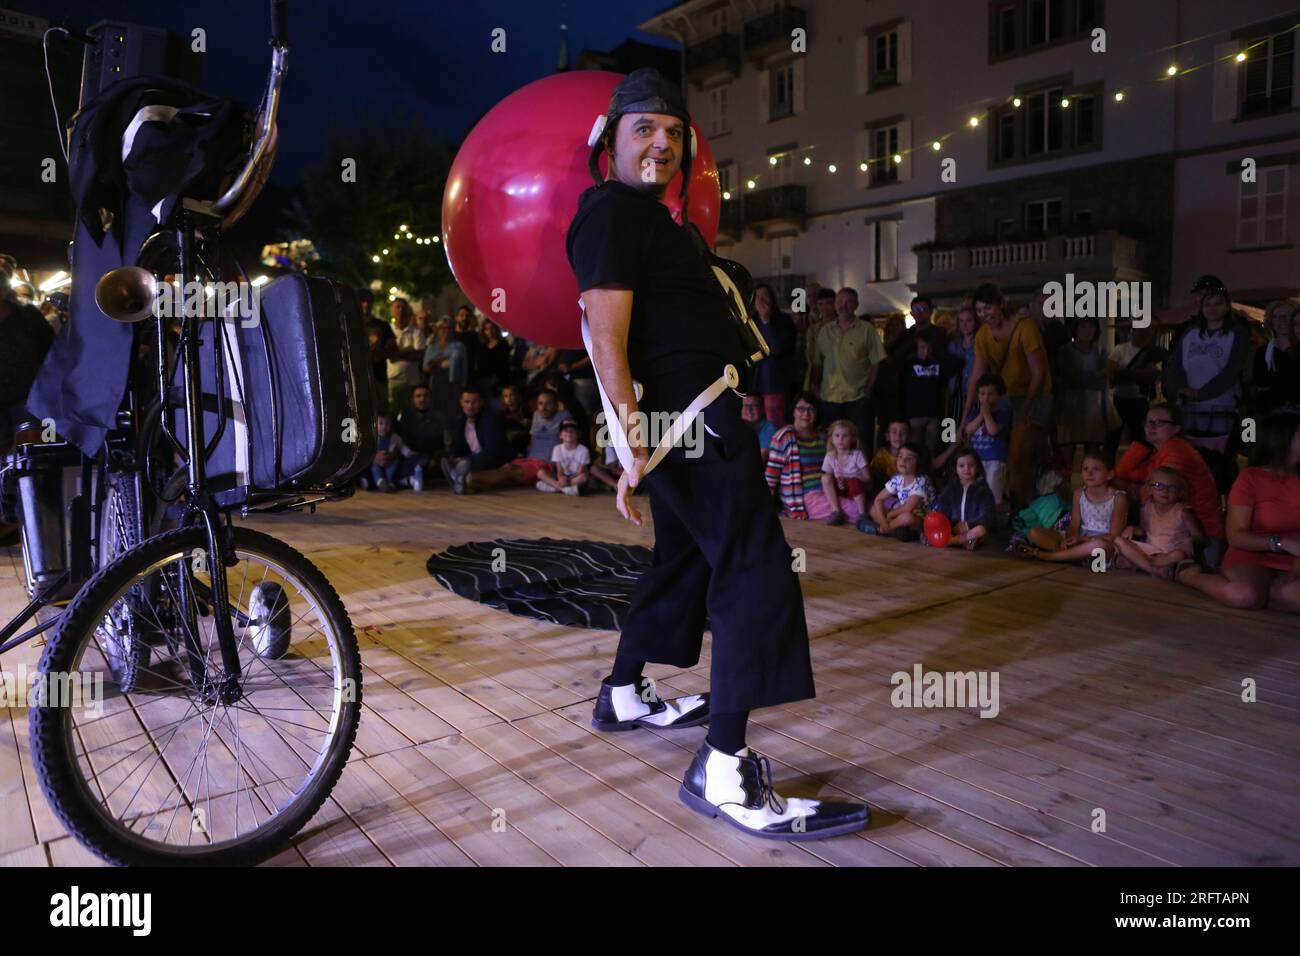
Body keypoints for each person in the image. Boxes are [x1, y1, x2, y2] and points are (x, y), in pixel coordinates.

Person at [567, 68, 868, 839]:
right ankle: (725, 769)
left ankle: (625, 692)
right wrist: (632, 444)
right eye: (645, 129)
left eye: (674, 133)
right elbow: (604, 339)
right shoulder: (608, 211)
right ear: (611, 140)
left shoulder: (659, 224)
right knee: (756, 570)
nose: (662, 143)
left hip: (689, 425)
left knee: (689, 561)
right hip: (689, 427)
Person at [1176, 412, 1300, 612]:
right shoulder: (1252, 478)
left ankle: (1274, 593)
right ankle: (1190, 575)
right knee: (1244, 595)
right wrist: (1282, 543)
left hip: (1297, 557)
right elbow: (1235, 535)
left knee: (1284, 595)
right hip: (1254, 552)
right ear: (1281, 438)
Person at [960, 283, 1053, 509]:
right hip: (1007, 399)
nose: (984, 315)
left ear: (1001, 304)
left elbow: (1038, 373)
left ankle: (1024, 508)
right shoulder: (983, 334)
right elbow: (976, 378)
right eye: (980, 310)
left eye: (988, 308)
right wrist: (964, 417)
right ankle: (1008, 505)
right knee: (1005, 454)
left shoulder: (1026, 328)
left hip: (1035, 397)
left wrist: (1026, 409)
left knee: (1022, 453)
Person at [1162, 278, 1250, 478]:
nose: (1212, 308)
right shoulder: (1191, 333)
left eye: (1218, 303)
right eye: (1207, 304)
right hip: (1190, 405)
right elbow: (1176, 365)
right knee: (1191, 459)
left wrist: (1203, 393)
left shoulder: (1237, 333)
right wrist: (1181, 389)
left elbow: (1231, 370)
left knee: (1220, 460)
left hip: (1222, 404)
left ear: (1227, 306)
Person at [1114, 401, 1225, 554]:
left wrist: (1132, 488)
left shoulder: (1177, 452)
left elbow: (1156, 492)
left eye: (1159, 423)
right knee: (1118, 485)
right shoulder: (1161, 451)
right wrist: (1141, 443)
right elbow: (1122, 474)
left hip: (1197, 535)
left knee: (1122, 495)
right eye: (1148, 422)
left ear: (1176, 428)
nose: (1151, 427)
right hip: (1169, 531)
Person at [1021, 450, 1128, 563]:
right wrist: (1069, 540)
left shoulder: (1118, 498)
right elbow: (1074, 525)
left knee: (1099, 546)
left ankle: (1049, 556)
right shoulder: (1079, 494)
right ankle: (1070, 553)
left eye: (1096, 469)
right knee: (1034, 532)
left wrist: (1081, 540)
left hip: (1101, 541)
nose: (1089, 473)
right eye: (1085, 469)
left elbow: (1113, 536)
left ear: (1109, 474)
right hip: (1079, 538)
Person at [811, 287, 883, 453]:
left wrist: (869, 389)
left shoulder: (867, 330)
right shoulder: (825, 331)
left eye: (848, 301)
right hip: (829, 397)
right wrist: (815, 385)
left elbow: (876, 361)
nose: (843, 305)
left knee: (861, 443)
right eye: (840, 301)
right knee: (831, 444)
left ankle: (863, 478)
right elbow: (818, 362)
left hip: (857, 397)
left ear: (856, 305)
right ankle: (834, 478)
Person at [464, 388, 565, 491]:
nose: (543, 408)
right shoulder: (537, 415)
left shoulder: (563, 416)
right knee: (505, 474)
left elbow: (569, 444)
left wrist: (560, 471)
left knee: (509, 471)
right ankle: (468, 484)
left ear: (556, 405)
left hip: (544, 465)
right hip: (529, 460)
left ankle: (464, 478)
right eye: (540, 403)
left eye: (548, 404)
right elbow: (532, 440)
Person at [1113, 466, 1203, 579]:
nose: (1165, 491)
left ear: (1179, 492)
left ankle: (1140, 563)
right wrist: (1132, 528)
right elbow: (1144, 531)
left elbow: (1198, 536)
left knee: (1178, 555)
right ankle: (1153, 568)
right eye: (1158, 486)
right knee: (1119, 541)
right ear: (1150, 489)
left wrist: (1189, 541)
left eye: (1172, 488)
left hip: (1171, 552)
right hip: (1152, 550)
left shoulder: (1182, 512)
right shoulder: (1146, 508)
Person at [1055, 314, 1116, 460]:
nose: (1087, 330)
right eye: (1083, 326)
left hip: (1094, 405)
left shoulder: (1100, 352)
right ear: (1075, 328)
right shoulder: (1065, 351)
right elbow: (1069, 378)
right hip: (1070, 404)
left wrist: (1088, 377)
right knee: (1066, 451)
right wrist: (1096, 375)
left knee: (1093, 451)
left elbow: (1103, 381)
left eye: (1091, 326)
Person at [899, 325, 962, 455]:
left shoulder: (938, 363)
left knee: (931, 450)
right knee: (914, 450)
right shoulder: (910, 363)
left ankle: (930, 474)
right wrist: (914, 344)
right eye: (922, 347)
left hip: (934, 413)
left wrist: (937, 350)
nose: (926, 351)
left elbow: (957, 364)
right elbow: (896, 358)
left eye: (929, 347)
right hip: (914, 413)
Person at [764, 392, 828, 520]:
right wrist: (765, 511)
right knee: (852, 509)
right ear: (793, 412)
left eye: (811, 409)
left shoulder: (824, 438)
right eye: (801, 409)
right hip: (803, 501)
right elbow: (771, 477)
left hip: (828, 494)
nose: (806, 414)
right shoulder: (784, 436)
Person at [1106, 324, 1165, 453]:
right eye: (1142, 329)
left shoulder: (1155, 352)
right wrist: (1138, 374)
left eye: (1150, 329)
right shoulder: (1120, 349)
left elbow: (1153, 375)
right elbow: (1111, 373)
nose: (1145, 332)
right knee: (1112, 436)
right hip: (1120, 398)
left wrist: (1127, 374)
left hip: (1141, 400)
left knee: (1140, 437)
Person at [442, 387, 510, 493]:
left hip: (495, 462)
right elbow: (457, 446)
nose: (470, 406)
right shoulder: (460, 421)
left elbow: (492, 452)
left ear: (482, 402)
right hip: (474, 461)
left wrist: (466, 460)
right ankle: (458, 476)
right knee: (454, 462)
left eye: (475, 402)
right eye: (467, 402)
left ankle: (458, 477)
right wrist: (453, 458)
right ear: (461, 403)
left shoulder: (490, 419)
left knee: (470, 476)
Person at [860, 442, 934, 539]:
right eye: (900, 456)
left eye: (909, 458)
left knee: (907, 517)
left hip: (920, 520)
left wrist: (889, 516)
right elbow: (879, 499)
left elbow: (908, 507)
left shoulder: (922, 481)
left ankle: (882, 530)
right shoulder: (897, 479)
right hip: (899, 515)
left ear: (919, 463)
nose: (903, 460)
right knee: (874, 509)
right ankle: (893, 529)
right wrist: (883, 520)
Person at [932, 447, 997, 549]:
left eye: (971, 465)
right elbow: (942, 511)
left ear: (978, 468)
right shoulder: (950, 490)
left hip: (972, 531)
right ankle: (959, 541)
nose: (966, 469)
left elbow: (988, 516)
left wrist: (967, 525)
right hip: (953, 529)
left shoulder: (984, 491)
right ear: (955, 468)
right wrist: (950, 527)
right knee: (933, 520)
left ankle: (952, 541)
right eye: (961, 466)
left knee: (980, 530)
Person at [750, 283, 796, 425]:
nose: (761, 301)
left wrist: (766, 320)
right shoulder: (751, 322)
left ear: (772, 299)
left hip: (775, 382)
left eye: (765, 297)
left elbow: (777, 347)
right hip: (753, 382)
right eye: (757, 297)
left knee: (774, 422)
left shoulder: (784, 321)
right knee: (753, 421)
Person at [1252, 300, 1300, 418]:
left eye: (1287, 315)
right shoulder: (1262, 353)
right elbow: (1261, 385)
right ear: (1271, 322)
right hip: (1273, 417)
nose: (1281, 320)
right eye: (1276, 316)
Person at [820, 419, 869, 526]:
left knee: (853, 482)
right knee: (825, 478)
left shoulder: (857, 455)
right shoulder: (830, 456)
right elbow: (826, 476)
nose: (840, 439)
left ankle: (863, 515)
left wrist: (848, 480)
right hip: (840, 489)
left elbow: (868, 478)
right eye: (837, 435)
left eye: (845, 436)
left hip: (856, 489)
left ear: (852, 439)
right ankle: (836, 511)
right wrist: (838, 482)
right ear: (831, 439)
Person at [396, 384, 445, 486]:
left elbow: (444, 443)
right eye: (418, 396)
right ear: (412, 400)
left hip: (432, 458)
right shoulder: (405, 417)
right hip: (410, 456)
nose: (422, 399)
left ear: (431, 399)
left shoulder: (439, 417)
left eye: (425, 396)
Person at [386, 297, 428, 416]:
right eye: (397, 307)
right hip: (392, 381)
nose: (400, 310)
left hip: (412, 381)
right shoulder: (387, 330)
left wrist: (395, 353)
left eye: (403, 307)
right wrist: (408, 349)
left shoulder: (416, 332)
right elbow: (387, 354)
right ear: (392, 310)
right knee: (391, 415)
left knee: (410, 415)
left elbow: (417, 355)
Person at [360, 288, 396, 416]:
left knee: (382, 412)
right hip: (359, 377)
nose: (366, 304)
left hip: (379, 376)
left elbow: (393, 352)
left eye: (369, 301)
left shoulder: (383, 325)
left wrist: (377, 352)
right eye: (363, 301)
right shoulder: (350, 325)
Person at [423, 317, 469, 419]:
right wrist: (443, 362)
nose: (446, 331)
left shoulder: (459, 346)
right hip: (436, 386)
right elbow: (426, 367)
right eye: (443, 328)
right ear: (438, 330)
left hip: (454, 387)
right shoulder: (432, 347)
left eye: (450, 328)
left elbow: (461, 365)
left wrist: (436, 363)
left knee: (452, 417)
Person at [537, 419, 590, 496]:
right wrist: (561, 478)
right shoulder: (557, 448)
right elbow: (559, 470)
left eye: (572, 431)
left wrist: (568, 480)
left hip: (575, 478)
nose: (569, 433)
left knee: (583, 477)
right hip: (562, 477)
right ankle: (565, 489)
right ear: (560, 435)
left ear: (578, 434)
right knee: (540, 473)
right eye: (565, 430)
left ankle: (554, 487)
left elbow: (580, 471)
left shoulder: (583, 450)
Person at [869, 419, 910, 491]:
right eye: (894, 432)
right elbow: (874, 475)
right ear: (887, 436)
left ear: (909, 437)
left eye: (903, 433)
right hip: (885, 490)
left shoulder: (911, 455)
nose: (898, 436)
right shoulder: (881, 455)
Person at [741, 393, 778, 465]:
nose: (749, 410)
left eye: (754, 406)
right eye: (745, 405)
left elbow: (758, 461)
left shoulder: (770, 429)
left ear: (762, 409)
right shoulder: (738, 426)